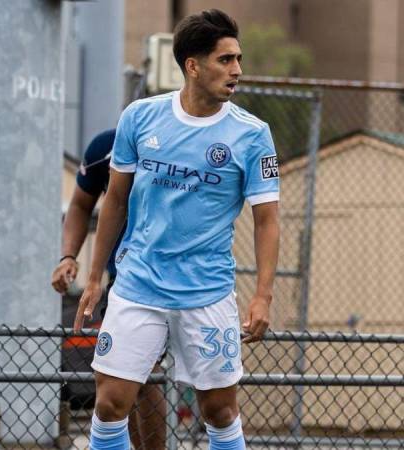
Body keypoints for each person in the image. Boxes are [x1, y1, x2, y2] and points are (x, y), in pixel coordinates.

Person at [73, 9, 280, 450]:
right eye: (225, 60)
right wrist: (93, 276)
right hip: (138, 285)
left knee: (219, 412)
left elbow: (267, 219)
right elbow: (114, 200)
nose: (237, 71)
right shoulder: (140, 118)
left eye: (238, 59)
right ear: (193, 65)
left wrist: (263, 294)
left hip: (206, 291)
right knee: (110, 404)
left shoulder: (253, 135)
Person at [51, 130, 166, 449]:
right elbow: (79, 205)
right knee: (122, 378)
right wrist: (68, 257)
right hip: (125, 282)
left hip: (178, 280)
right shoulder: (104, 147)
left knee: (152, 377)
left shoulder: (179, 142)